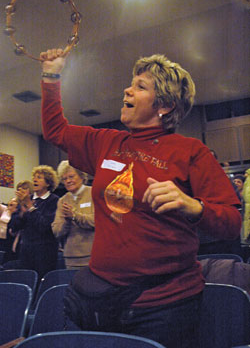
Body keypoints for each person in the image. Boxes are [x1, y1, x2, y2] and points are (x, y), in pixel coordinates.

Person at [39, 49, 241, 348]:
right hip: (103, 300)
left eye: (140, 86)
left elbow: (232, 222)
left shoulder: (190, 151)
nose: (127, 89)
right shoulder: (107, 142)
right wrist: (51, 75)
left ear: (165, 105)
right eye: (131, 83)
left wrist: (193, 206)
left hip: (165, 306)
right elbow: (55, 130)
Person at [9, 166, 59, 279]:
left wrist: (30, 207)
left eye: (39, 177)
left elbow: (45, 226)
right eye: (34, 177)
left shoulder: (54, 200)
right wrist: (22, 212)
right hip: (26, 252)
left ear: (48, 183)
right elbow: (14, 226)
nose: (34, 180)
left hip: (45, 253)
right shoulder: (27, 199)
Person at [52, 160, 95, 269]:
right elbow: (57, 231)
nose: (68, 181)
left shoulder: (93, 193)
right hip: (71, 258)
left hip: (92, 255)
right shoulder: (62, 200)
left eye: (71, 177)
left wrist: (75, 216)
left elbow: (97, 221)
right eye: (64, 179)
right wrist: (67, 221)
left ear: (81, 176)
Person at [0, 197, 18, 262]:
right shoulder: (5, 210)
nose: (11, 202)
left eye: (14, 202)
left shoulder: (18, 214)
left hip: (9, 240)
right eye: (11, 201)